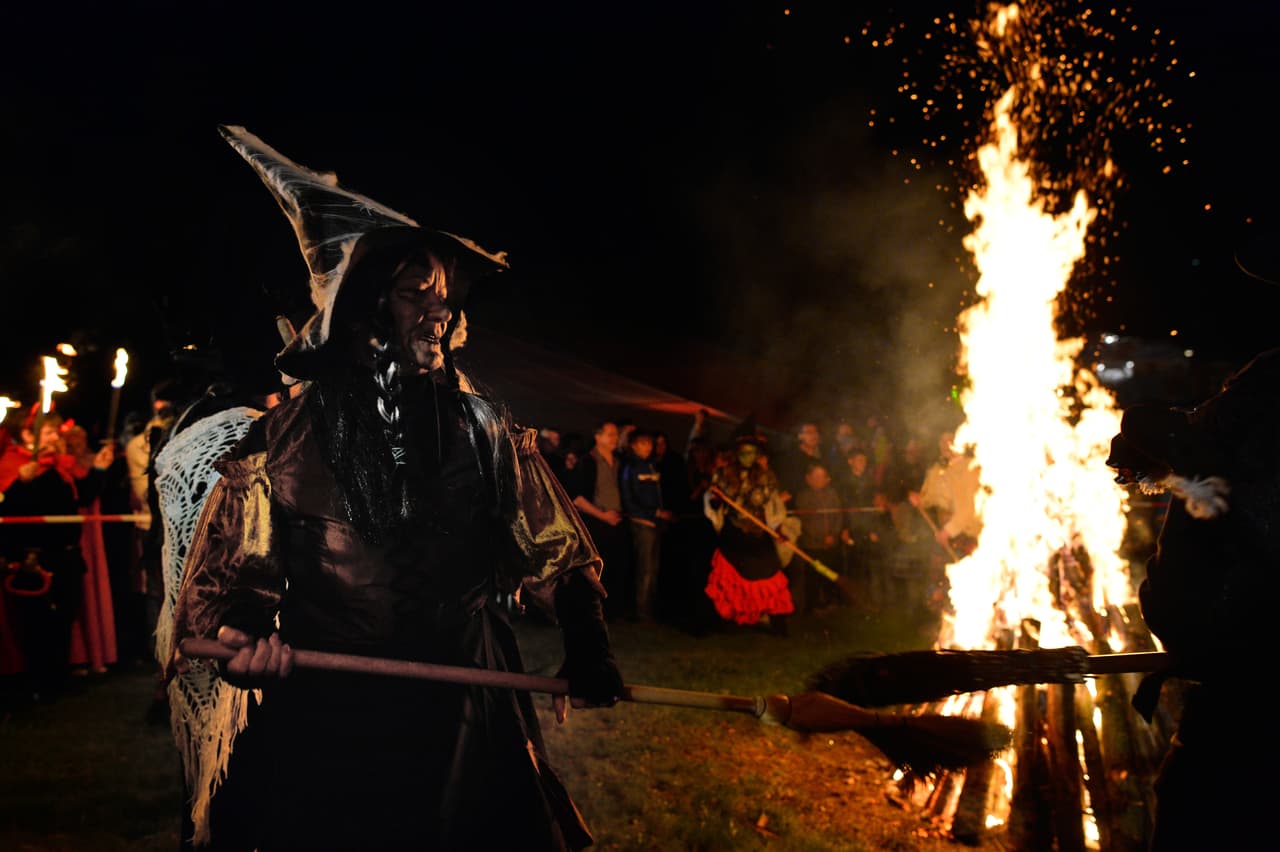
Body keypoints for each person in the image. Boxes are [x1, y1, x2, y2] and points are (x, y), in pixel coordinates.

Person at [167, 126, 623, 852]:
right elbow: (224, 602)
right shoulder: (278, 449)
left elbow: (555, 550)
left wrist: (587, 637)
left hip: (470, 706)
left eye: (443, 294)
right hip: (334, 716)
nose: (440, 311)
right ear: (359, 314)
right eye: (416, 294)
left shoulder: (482, 427)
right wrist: (245, 644)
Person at [0, 408, 114, 700]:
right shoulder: (11, 466)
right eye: (49, 432)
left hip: (66, 556)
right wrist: (18, 486)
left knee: (64, 620)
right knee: (34, 625)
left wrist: (99, 469)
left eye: (55, 432)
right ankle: (37, 683)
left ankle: (58, 681)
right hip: (33, 560)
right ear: (27, 435)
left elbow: (83, 498)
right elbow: (8, 512)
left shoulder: (62, 467)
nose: (55, 438)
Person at [702, 419, 794, 633]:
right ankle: (733, 618)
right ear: (736, 453)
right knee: (732, 575)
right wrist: (716, 500)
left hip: (759, 533)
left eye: (752, 453)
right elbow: (713, 503)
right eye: (743, 453)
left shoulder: (765, 476)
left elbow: (774, 505)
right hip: (735, 533)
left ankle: (775, 621)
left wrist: (778, 528)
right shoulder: (723, 474)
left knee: (769, 574)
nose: (748, 457)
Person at [567, 418, 634, 621]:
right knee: (598, 571)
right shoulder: (587, 462)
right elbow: (577, 498)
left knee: (618, 567)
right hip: (597, 523)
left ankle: (615, 610)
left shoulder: (619, 463)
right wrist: (603, 515)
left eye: (616, 434)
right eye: (610, 434)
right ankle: (596, 612)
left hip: (617, 521)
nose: (615, 438)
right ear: (598, 437)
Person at [619, 429, 673, 621]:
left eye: (649, 443)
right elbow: (629, 499)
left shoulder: (651, 466)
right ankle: (643, 611)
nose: (647, 447)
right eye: (643, 443)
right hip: (641, 523)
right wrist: (654, 513)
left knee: (653, 567)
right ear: (633, 445)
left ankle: (650, 607)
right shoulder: (631, 468)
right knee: (645, 568)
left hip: (655, 523)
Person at [790, 459, 851, 614]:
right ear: (808, 479)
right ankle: (812, 605)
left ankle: (831, 602)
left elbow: (838, 516)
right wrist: (820, 538)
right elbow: (805, 522)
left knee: (830, 573)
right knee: (813, 577)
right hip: (813, 545)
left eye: (822, 477)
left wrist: (833, 535)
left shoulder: (832, 494)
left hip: (831, 543)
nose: (819, 480)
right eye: (816, 477)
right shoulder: (803, 496)